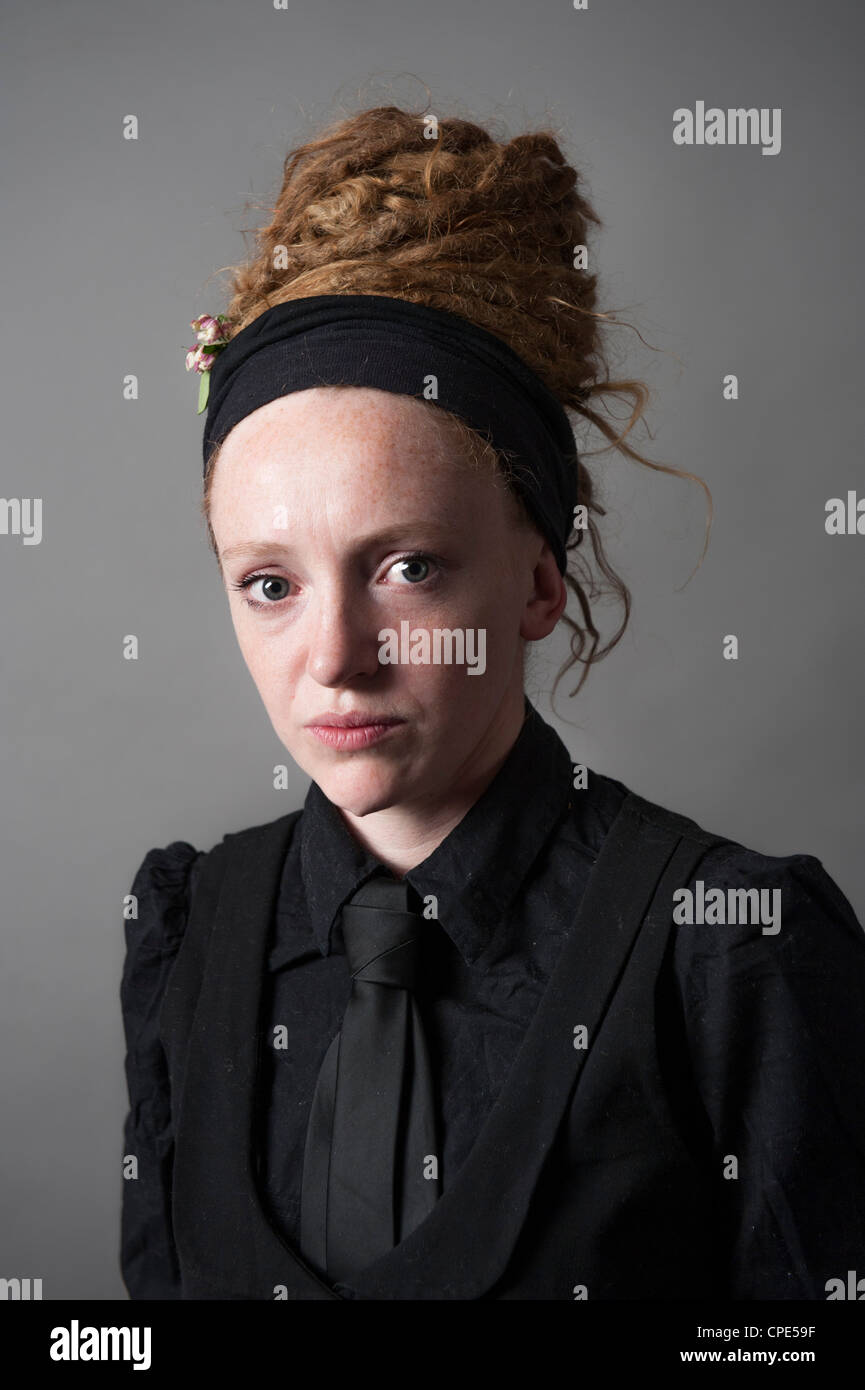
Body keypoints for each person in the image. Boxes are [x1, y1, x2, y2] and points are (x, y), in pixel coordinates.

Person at [119, 103, 865, 1301]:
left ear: (535, 576)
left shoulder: (729, 951)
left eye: (406, 566)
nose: (336, 656)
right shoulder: (188, 932)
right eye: (269, 583)